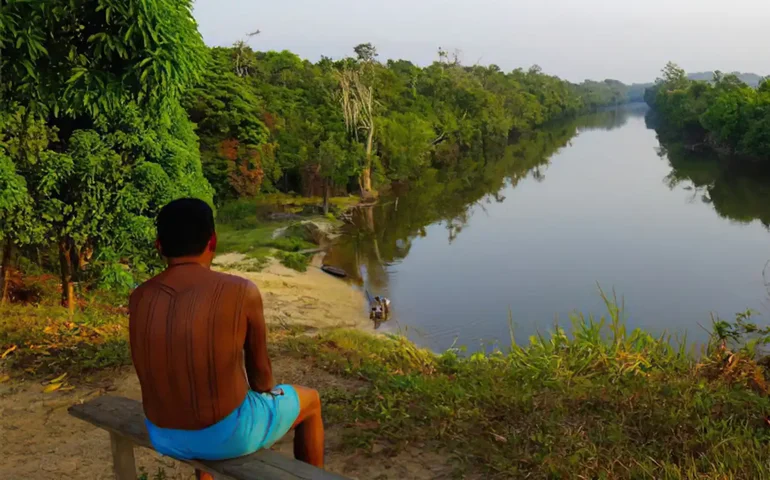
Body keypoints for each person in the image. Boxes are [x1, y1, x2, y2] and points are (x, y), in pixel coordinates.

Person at [129, 198, 324, 477]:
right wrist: (269, 391)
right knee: (311, 401)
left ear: (159, 245)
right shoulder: (240, 291)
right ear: (213, 241)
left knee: (206, 406)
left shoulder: (139, 297)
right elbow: (261, 379)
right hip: (227, 436)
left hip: (162, 434)